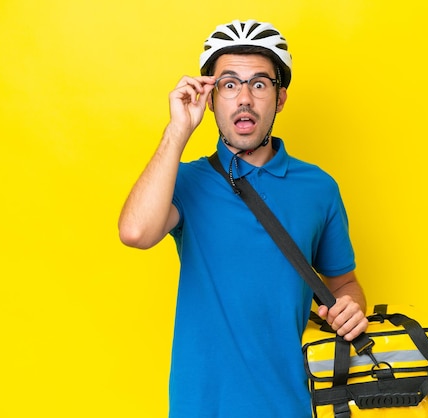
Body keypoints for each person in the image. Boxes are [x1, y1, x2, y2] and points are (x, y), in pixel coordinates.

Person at [118, 19, 368, 418]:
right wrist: (177, 131)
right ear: (211, 98)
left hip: (296, 406)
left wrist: (352, 307)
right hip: (203, 407)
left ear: (280, 98)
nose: (244, 98)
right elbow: (135, 232)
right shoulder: (185, 181)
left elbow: (346, 284)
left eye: (259, 84)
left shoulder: (318, 187)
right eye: (229, 84)